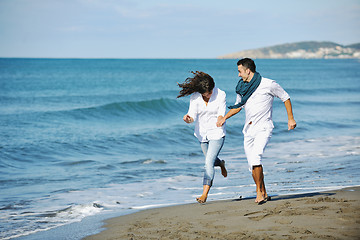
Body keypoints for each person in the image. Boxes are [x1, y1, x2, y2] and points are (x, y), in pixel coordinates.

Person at [217, 58, 296, 204]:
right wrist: (225, 117)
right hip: (248, 130)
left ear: (248, 70)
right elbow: (238, 106)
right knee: (251, 165)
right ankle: (264, 192)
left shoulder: (268, 84)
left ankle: (258, 192)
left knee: (256, 158)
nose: (238, 75)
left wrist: (290, 119)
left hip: (264, 128)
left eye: (240, 71)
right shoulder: (242, 87)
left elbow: (285, 97)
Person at [178, 71, 228, 204]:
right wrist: (187, 119)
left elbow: (221, 111)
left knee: (207, 163)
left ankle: (204, 194)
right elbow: (192, 116)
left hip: (217, 132)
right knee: (210, 160)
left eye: (210, 91)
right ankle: (221, 163)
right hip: (202, 133)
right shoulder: (195, 97)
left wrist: (220, 119)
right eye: (206, 93)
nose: (209, 94)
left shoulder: (221, 94)